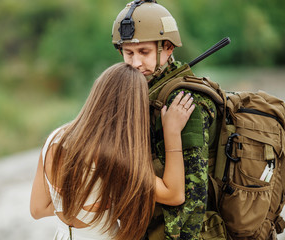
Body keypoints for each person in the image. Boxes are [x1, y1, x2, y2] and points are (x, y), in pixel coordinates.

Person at [30, 62, 195, 240]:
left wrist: (77, 206)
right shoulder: (112, 158)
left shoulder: (55, 138)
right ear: (134, 109)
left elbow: (37, 209)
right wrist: (172, 131)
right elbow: (174, 194)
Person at [112, 1, 218, 239]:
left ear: (168, 48)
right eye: (128, 53)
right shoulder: (146, 92)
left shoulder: (184, 102)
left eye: (144, 52)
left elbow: (194, 197)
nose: (135, 63)